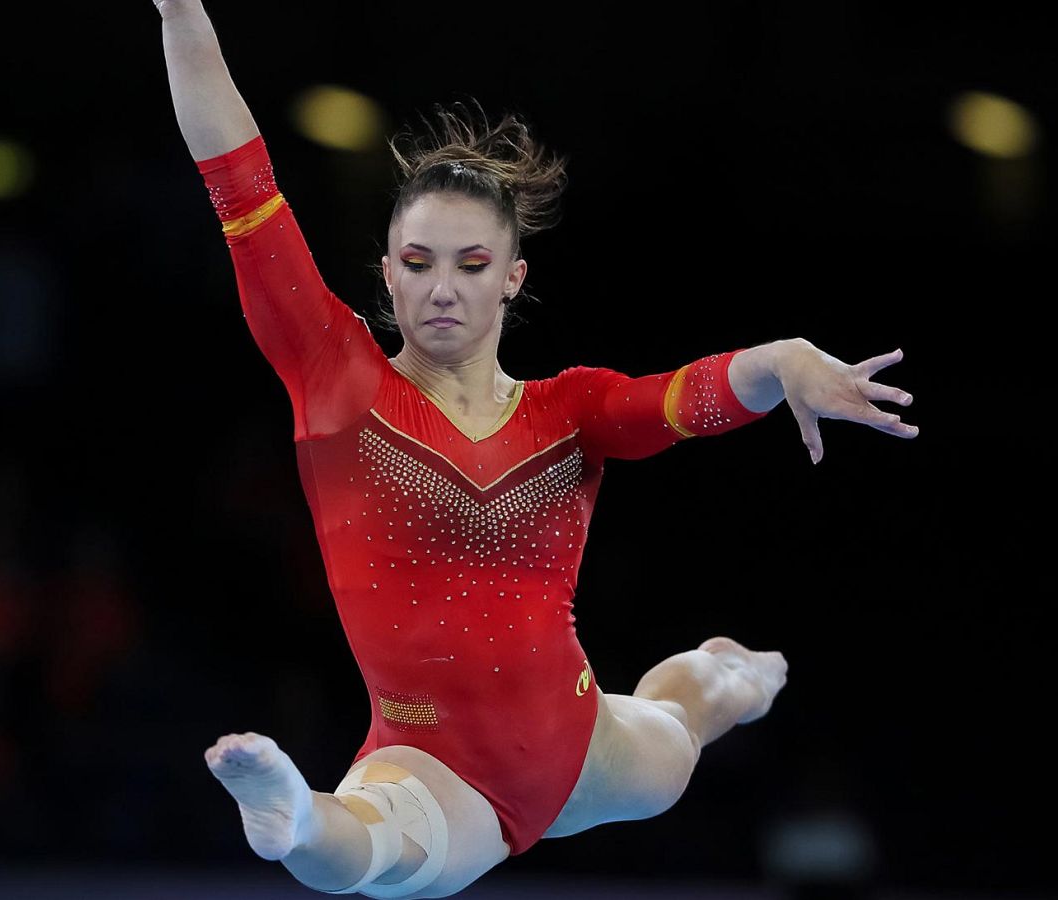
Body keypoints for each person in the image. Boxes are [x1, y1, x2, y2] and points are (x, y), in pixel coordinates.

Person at [153, 2, 918, 897]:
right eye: (419, 261)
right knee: (381, 860)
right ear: (387, 268)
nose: (443, 289)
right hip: (437, 764)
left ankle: (729, 675)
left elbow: (685, 398)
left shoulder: (571, 412)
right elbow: (238, 177)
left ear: (513, 276)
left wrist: (782, 360)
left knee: (684, 721)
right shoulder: (336, 376)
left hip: (583, 743)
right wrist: (180, 10)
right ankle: (288, 810)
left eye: (471, 265)